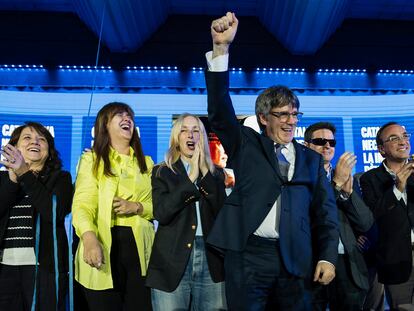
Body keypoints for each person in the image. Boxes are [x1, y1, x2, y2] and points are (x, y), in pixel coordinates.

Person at [205, 12, 339, 310]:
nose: (290, 122)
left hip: (297, 261)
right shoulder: (246, 145)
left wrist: (327, 256)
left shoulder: (311, 160)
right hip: (249, 256)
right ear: (264, 118)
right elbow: (218, 111)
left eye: (294, 114)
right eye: (282, 114)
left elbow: (326, 215)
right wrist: (221, 50)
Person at [72, 102, 154, 311]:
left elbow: (160, 207)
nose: (127, 118)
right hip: (102, 245)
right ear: (105, 125)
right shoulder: (91, 159)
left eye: (129, 116)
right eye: (119, 115)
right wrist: (89, 239)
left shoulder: (148, 163)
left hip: (140, 251)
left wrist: (136, 207)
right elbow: (82, 205)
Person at [146, 113, 227, 310]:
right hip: (171, 259)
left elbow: (223, 214)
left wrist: (205, 173)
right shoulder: (162, 172)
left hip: (211, 259)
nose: (190, 135)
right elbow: (162, 213)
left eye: (195, 130)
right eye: (184, 130)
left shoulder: (215, 174)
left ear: (202, 138)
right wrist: (190, 178)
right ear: (176, 138)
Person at [0, 121, 72, 311]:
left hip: (43, 269)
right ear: (14, 147)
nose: (35, 142)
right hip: (3, 269)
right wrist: (12, 179)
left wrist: (25, 174)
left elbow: (53, 212)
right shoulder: (2, 179)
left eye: (42, 139)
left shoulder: (60, 179)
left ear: (49, 152)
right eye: (27, 138)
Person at [304, 122, 374, 310]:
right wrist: (335, 185)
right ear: (306, 145)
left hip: (348, 266)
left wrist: (347, 194)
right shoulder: (298, 179)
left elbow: (365, 222)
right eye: (320, 141)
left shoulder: (347, 176)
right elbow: (312, 216)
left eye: (331, 142)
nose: (327, 146)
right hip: (313, 263)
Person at [360, 121, 414, 310]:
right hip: (397, 260)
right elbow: (376, 216)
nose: (403, 142)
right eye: (394, 138)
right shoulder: (369, 179)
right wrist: (398, 188)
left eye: (405, 136)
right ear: (382, 149)